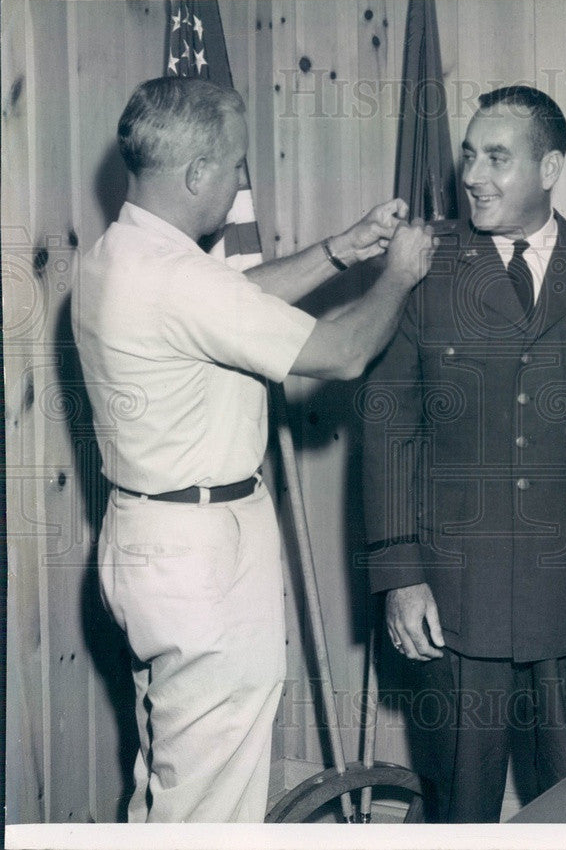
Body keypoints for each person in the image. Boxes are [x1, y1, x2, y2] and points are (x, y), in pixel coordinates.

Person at [73, 76, 434, 822]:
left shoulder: (119, 251)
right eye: (237, 166)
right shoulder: (177, 280)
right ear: (198, 173)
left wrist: (338, 252)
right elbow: (341, 353)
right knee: (215, 806)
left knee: (170, 781)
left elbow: (230, 301)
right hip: (202, 561)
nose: (243, 180)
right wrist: (396, 276)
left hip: (143, 540)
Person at [361, 85, 566, 822]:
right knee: (459, 807)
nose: (473, 175)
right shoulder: (422, 270)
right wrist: (400, 574)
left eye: (497, 158)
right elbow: (386, 429)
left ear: (551, 165)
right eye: (469, 155)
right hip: (454, 593)